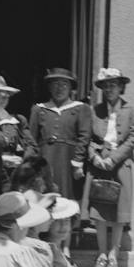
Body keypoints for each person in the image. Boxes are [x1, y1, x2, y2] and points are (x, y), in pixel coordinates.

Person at [86, 67, 134, 267]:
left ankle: (113, 253)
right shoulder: (95, 111)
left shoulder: (133, 112)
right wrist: (95, 157)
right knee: (100, 209)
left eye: (114, 85)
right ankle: (101, 251)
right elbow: (89, 138)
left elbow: (132, 139)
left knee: (120, 210)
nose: (110, 89)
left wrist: (114, 159)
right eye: (106, 85)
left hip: (120, 164)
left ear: (121, 88)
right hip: (100, 163)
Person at [28, 68, 91, 204]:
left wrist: (78, 161)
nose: (59, 88)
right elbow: (31, 139)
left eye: (64, 84)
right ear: (49, 88)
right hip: (45, 159)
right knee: (44, 195)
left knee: (68, 197)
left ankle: (69, 224)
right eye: (55, 84)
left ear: (70, 88)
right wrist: (32, 163)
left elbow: (84, 137)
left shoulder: (81, 108)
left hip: (69, 160)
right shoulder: (39, 109)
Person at [0, 76, 36, 173]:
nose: (5, 98)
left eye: (7, 95)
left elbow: (32, 147)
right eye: (1, 95)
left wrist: (22, 160)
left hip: (14, 174)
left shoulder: (18, 120)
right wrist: (1, 159)